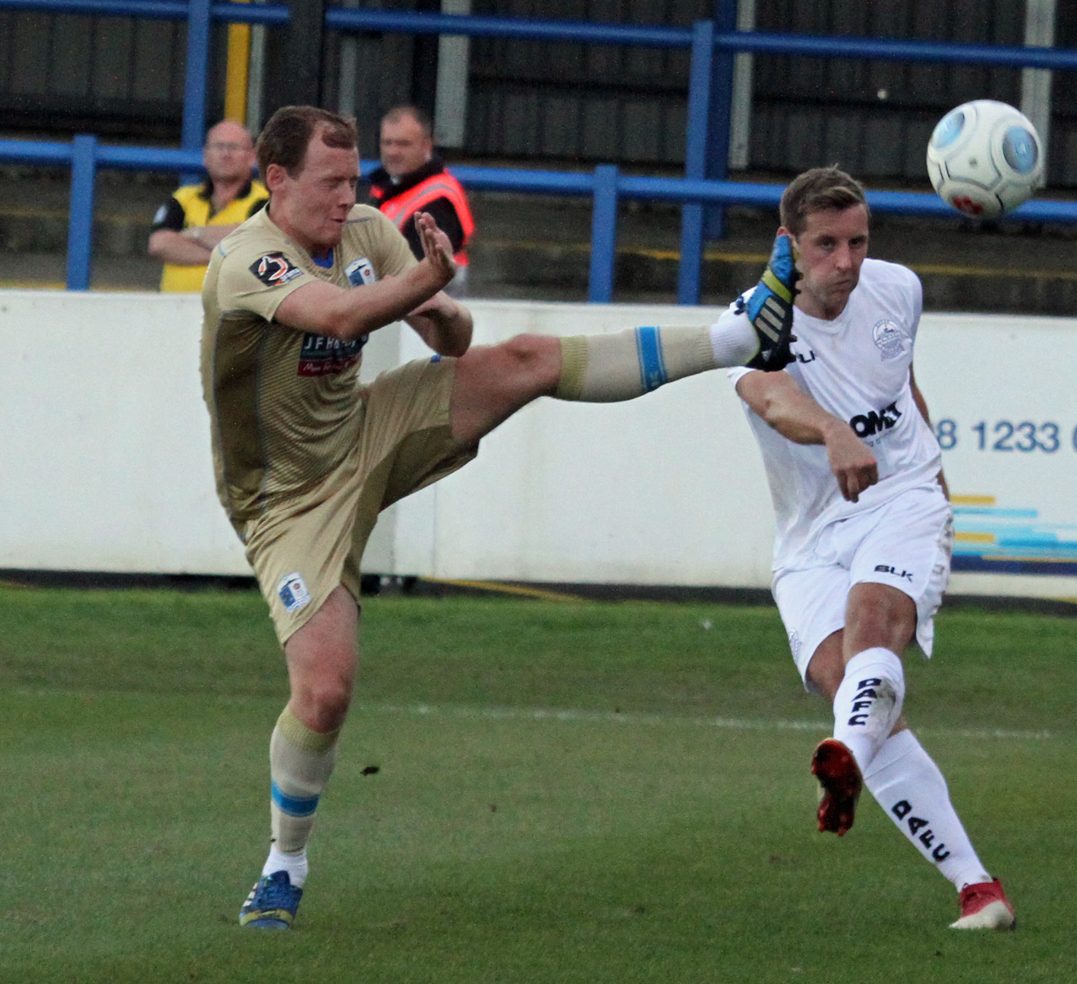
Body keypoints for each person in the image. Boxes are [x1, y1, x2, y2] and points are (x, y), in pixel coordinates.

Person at [200, 104, 791, 930]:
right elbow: (336, 317)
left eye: (354, 179)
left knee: (525, 359)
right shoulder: (246, 260)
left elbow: (451, 336)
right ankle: (284, 862)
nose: (348, 197)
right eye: (331, 182)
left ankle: (736, 338)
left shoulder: (370, 230)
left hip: (366, 429)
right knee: (326, 692)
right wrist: (419, 284)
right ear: (275, 180)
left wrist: (438, 302)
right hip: (286, 497)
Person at [726, 166, 1016, 931]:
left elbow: (902, 384)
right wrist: (831, 429)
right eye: (827, 245)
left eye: (858, 241)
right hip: (810, 536)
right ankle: (978, 889)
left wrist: (937, 486)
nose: (847, 261)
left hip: (903, 497)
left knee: (873, 625)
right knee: (851, 685)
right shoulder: (754, 319)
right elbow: (769, 395)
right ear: (788, 245)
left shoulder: (898, 289)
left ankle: (844, 757)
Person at [361, 105, 474, 295]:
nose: (392, 152)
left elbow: (418, 271)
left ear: (427, 145)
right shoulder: (388, 187)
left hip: (428, 309)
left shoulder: (438, 198)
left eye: (403, 144)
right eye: (387, 143)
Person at [148, 119, 269, 291]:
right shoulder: (184, 197)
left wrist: (194, 234)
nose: (226, 154)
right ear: (206, 156)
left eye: (234, 147)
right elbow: (158, 244)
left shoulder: (265, 200)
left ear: (252, 157)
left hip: (235, 314)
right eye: (219, 147)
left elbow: (252, 244)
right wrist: (227, 253)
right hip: (173, 312)